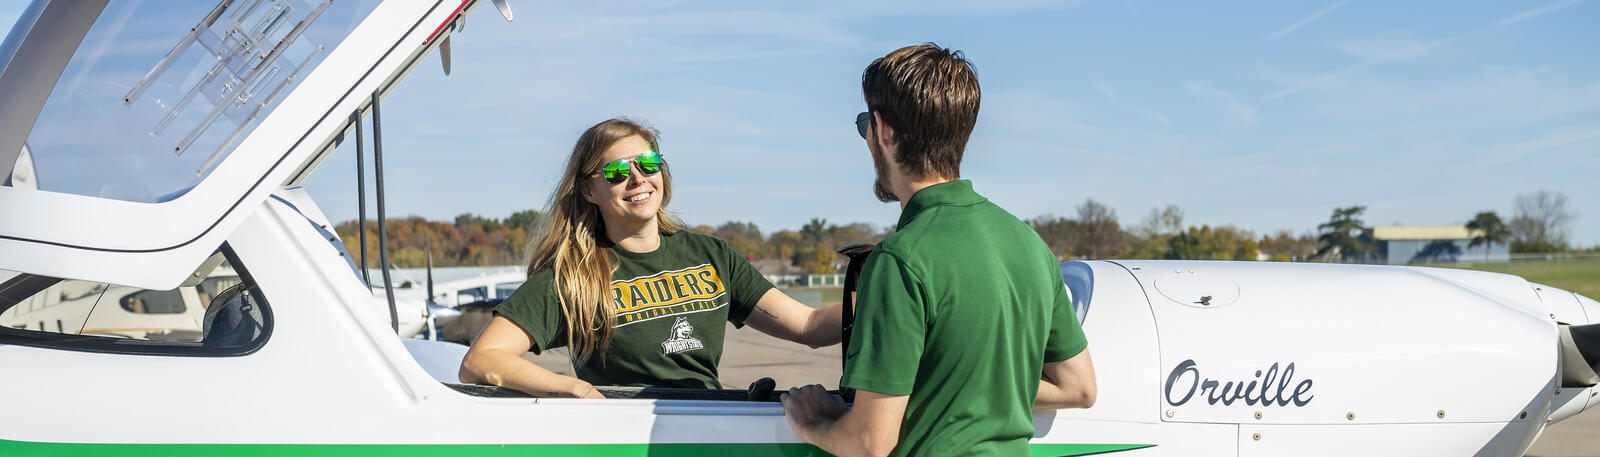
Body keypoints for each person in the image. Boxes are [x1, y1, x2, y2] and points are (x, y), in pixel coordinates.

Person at [781, 44, 1097, 456]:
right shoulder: (1029, 243)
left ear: (884, 131)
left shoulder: (899, 260)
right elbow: (1079, 387)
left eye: (865, 126)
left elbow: (869, 441)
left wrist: (814, 422)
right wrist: (953, 387)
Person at [459, 118, 843, 397]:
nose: (638, 179)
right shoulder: (573, 277)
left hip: (714, 432)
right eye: (615, 172)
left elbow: (808, 326)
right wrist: (573, 389)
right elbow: (480, 360)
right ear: (589, 191)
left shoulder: (710, 255)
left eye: (648, 164)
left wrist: (886, 299)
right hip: (628, 437)